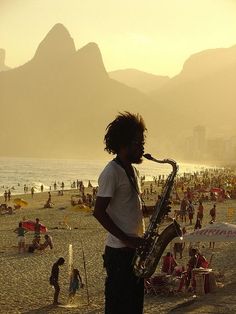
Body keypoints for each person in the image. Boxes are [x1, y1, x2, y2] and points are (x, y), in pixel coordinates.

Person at [93, 112, 147, 314]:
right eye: (138, 142)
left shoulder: (134, 171)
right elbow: (98, 212)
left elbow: (128, 207)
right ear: (124, 143)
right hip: (119, 255)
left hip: (134, 252)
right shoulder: (111, 172)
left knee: (134, 308)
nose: (142, 147)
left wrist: (154, 210)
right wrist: (127, 240)